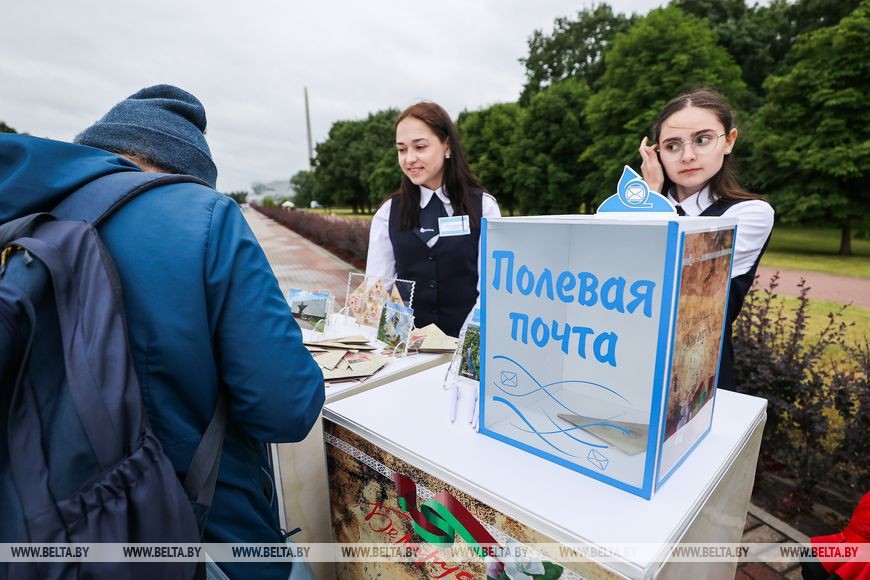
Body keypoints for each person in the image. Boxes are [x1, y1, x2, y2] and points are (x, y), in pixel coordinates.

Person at [0, 84, 324, 580]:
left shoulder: (26, 219)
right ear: (187, 172)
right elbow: (285, 407)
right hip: (205, 534)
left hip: (49, 531)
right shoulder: (206, 216)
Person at [638, 88, 774, 390]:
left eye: (702, 140)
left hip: (697, 379)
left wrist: (652, 200)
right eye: (672, 146)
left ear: (729, 141)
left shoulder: (750, 213)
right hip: (630, 362)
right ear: (656, 153)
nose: (687, 156)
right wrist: (649, 200)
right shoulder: (637, 208)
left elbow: (685, 273)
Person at [365, 101, 501, 337]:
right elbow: (375, 290)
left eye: (420, 147)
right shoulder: (388, 212)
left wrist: (467, 344)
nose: (409, 158)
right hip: (408, 351)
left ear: (447, 147)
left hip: (467, 348)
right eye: (402, 149)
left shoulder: (484, 207)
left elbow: (492, 290)